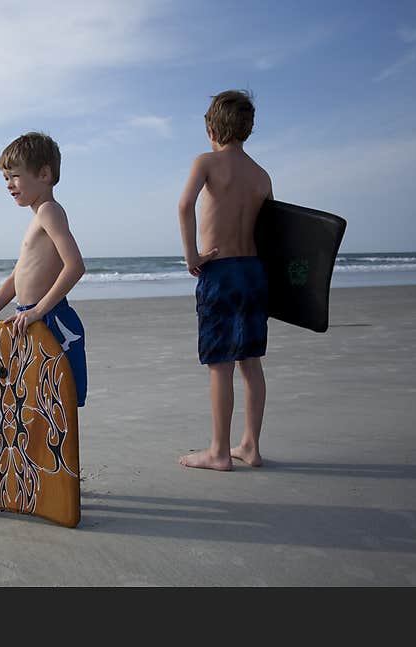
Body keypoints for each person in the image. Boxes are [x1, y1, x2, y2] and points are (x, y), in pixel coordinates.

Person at [177, 90, 273, 470]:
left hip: (220, 271)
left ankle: (219, 451)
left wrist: (191, 257)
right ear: (247, 129)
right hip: (253, 271)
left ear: (211, 128)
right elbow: (271, 231)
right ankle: (250, 445)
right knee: (251, 362)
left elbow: (185, 206)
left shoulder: (207, 161)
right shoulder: (261, 175)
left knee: (220, 363)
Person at [0, 132, 87, 407]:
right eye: (5, 178)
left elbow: (75, 266)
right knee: (33, 406)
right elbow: (17, 278)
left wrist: (39, 311)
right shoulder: (38, 217)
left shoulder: (49, 211)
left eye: (15, 176)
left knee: (55, 406)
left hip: (51, 321)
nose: (8, 185)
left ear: (43, 174)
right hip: (27, 320)